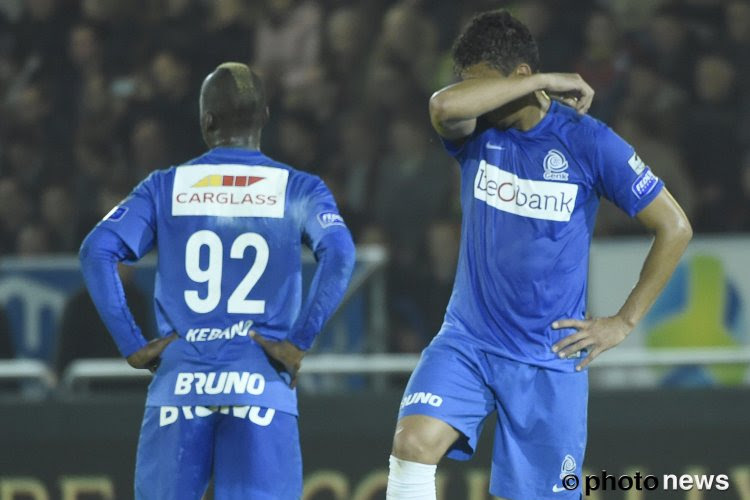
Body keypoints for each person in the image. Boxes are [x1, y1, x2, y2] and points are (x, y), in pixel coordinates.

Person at [385, 10, 692, 500]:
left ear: (520, 77)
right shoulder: (475, 131)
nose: (480, 102)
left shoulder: (587, 142)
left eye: (488, 87)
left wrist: (624, 322)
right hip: (469, 340)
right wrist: (548, 80)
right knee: (412, 445)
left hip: (548, 358)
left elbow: (674, 226)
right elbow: (443, 106)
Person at [79, 62, 356, 500]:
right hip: (259, 385)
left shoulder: (165, 187)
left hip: (179, 386)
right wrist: (299, 343)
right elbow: (340, 253)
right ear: (265, 116)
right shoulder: (300, 188)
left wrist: (133, 344)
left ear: (206, 122)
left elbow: (96, 251)